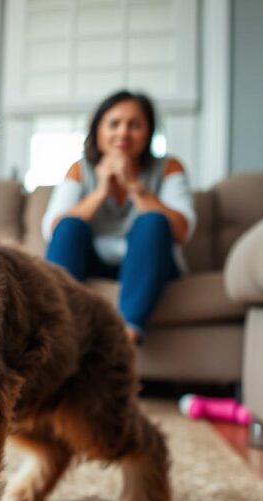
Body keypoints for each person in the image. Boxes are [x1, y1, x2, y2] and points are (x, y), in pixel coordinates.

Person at [42, 91, 196, 346]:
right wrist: (102, 189)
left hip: (153, 266)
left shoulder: (169, 167)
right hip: (94, 263)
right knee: (70, 225)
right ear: (98, 130)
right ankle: (62, 334)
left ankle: (128, 335)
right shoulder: (80, 169)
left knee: (154, 221)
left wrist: (135, 186)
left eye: (134, 125)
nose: (123, 133)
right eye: (114, 124)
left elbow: (181, 231)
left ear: (148, 132)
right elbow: (53, 231)